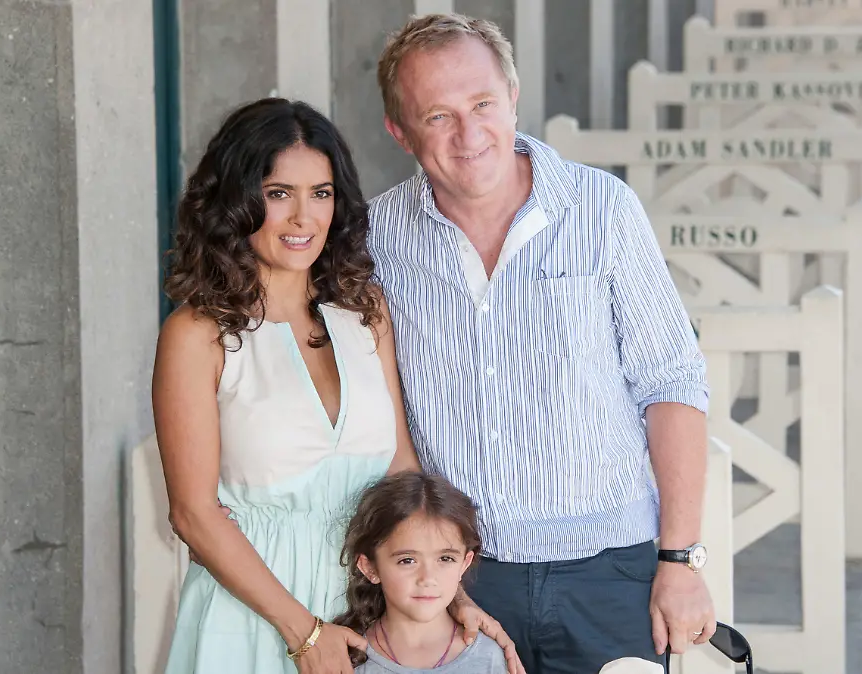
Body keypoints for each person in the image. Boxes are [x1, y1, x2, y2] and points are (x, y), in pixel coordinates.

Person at [366, 13, 716, 674]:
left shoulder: (602, 209)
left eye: (482, 104)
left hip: (612, 575)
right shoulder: (374, 240)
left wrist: (680, 560)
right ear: (400, 131)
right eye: (438, 117)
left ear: (513, 96)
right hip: (457, 583)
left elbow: (671, 382)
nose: (469, 135)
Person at [152, 97, 514, 674]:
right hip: (253, 617)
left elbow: (400, 465)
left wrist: (453, 597)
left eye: (320, 193)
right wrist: (305, 632)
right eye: (278, 193)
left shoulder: (363, 312)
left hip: (368, 610)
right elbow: (193, 514)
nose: (303, 217)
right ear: (235, 203)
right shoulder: (198, 334)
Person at [333, 472, 507, 673]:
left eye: (445, 559)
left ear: (464, 563)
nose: (427, 578)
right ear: (370, 567)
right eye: (407, 560)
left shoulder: (487, 657)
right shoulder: (345, 660)